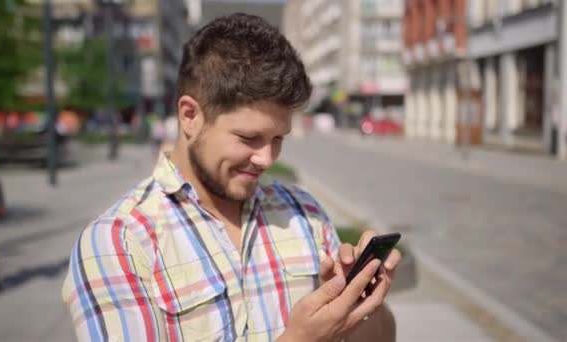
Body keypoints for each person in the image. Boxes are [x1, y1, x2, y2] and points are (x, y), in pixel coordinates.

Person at [62, 13, 401, 341]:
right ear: (190, 116)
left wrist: (360, 304)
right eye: (248, 138)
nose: (266, 158)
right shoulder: (119, 243)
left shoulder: (304, 213)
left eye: (278, 139)